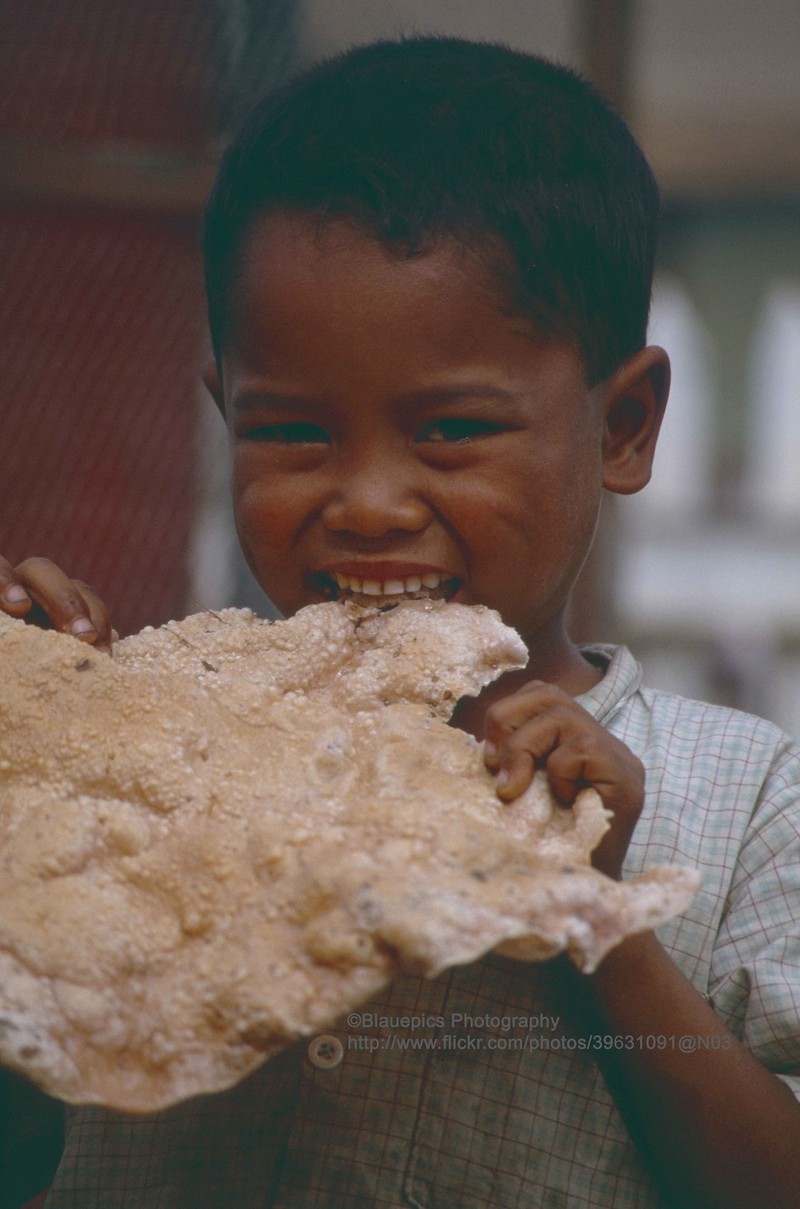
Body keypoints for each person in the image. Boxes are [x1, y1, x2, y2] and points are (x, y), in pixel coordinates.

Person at [2, 35, 799, 1209]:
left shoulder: (745, 803)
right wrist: (43, 791)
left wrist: (594, 918)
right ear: (226, 412)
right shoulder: (146, 764)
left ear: (623, 425)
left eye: (450, 433)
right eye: (291, 434)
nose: (367, 503)